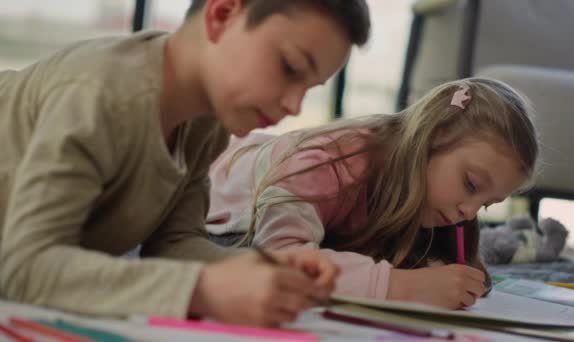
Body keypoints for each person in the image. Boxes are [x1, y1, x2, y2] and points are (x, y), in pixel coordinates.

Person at [0, 0, 371, 326]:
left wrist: (260, 269)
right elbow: (24, 265)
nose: (294, 106)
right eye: (290, 67)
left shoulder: (205, 124)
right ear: (222, 14)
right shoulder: (100, 96)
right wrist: (201, 289)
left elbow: (174, 242)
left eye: (309, 88)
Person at [206, 77, 539, 309]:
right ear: (435, 136)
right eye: (470, 184)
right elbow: (277, 261)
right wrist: (402, 286)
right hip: (217, 175)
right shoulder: (326, 163)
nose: (469, 211)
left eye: (486, 205)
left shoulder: (426, 195)